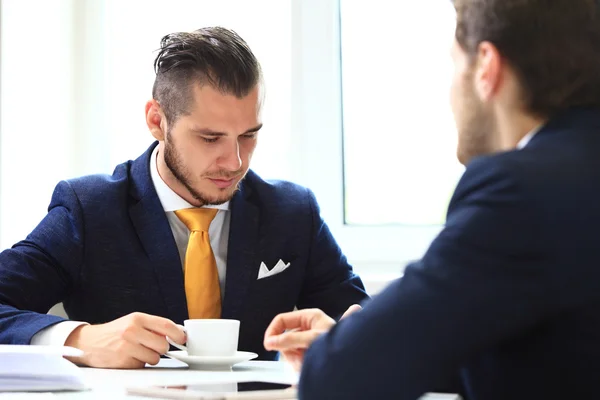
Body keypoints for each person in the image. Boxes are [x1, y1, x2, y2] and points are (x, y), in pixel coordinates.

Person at [263, 1, 600, 399]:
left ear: (486, 68)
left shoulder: (522, 190)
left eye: (455, 65)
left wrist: (348, 347)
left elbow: (342, 376)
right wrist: (361, 340)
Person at [0, 26, 368, 369]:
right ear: (157, 121)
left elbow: (364, 319)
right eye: (210, 138)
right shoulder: (89, 208)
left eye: (248, 135)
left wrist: (350, 337)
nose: (235, 162)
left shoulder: (292, 212)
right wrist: (82, 338)